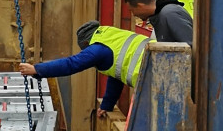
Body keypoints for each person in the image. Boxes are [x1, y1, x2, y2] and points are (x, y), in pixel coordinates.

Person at [17, 21, 151, 117]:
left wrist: (36, 69)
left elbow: (71, 64)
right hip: (161, 64)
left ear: (86, 44)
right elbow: (116, 75)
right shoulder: (111, 36)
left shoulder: (97, 49)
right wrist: (107, 105)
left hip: (153, 77)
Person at [123, 0, 193, 44]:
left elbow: (191, 46)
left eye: (132, 10)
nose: (133, 14)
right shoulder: (160, 16)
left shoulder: (169, 14)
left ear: (140, 6)